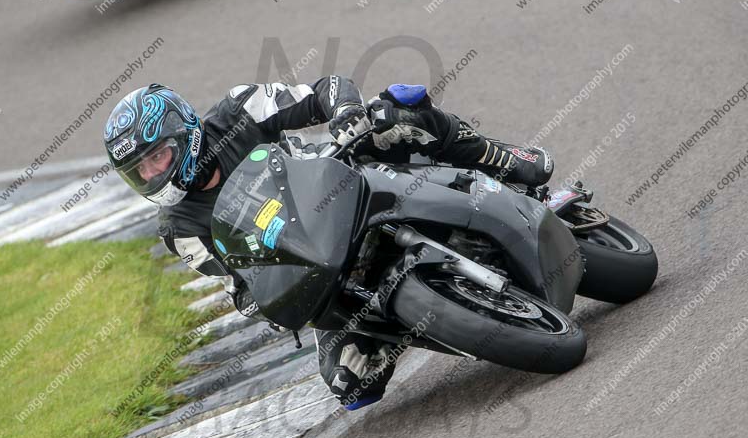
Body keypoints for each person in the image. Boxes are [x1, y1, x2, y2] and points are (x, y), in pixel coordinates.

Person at [103, 78, 554, 410]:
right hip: (317, 265)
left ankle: (504, 160)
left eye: (157, 157)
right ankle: (439, 315)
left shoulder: (239, 111)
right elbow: (238, 280)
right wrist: (260, 300)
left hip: (339, 181)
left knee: (396, 111)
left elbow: (326, 90)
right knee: (351, 384)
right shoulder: (178, 229)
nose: (152, 176)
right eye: (139, 172)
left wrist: (345, 113)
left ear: (184, 132)